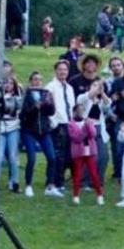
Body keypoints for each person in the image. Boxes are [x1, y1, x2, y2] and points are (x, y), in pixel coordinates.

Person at [20, 71, 57, 198]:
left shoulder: (46, 93)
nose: (38, 82)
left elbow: (51, 112)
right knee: (31, 158)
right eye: (35, 79)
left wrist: (50, 103)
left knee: (52, 157)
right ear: (31, 81)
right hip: (29, 130)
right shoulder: (26, 94)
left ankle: (50, 185)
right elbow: (23, 113)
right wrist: (34, 107)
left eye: (40, 80)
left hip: (44, 130)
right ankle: (28, 185)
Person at [45, 60, 76, 196]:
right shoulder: (50, 87)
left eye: (65, 70)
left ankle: (60, 180)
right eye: (60, 69)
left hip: (68, 123)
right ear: (55, 71)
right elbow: (48, 107)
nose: (63, 72)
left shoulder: (69, 88)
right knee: (57, 155)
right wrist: (54, 122)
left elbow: (72, 105)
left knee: (67, 155)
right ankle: (53, 182)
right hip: (57, 124)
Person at [67, 102, 103, 205]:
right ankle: (76, 195)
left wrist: (88, 126)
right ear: (74, 112)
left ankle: (99, 195)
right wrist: (85, 128)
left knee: (94, 173)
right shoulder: (71, 124)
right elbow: (77, 138)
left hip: (90, 151)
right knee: (78, 174)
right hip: (79, 152)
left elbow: (93, 134)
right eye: (79, 110)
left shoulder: (89, 121)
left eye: (82, 110)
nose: (81, 112)